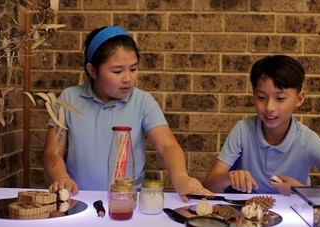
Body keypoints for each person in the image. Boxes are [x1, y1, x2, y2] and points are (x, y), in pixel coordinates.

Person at [43, 25, 213, 202]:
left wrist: (181, 177)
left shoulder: (142, 101)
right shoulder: (68, 98)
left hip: (127, 200)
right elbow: (52, 152)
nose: (128, 78)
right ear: (92, 70)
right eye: (117, 71)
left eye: (133, 69)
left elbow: (167, 145)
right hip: (78, 198)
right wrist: (61, 177)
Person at [202, 55, 320, 195]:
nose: (269, 107)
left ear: (299, 99)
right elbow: (208, 185)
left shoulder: (306, 140)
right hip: (247, 219)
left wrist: (302, 191)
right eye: (261, 97)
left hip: (293, 220)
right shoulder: (243, 130)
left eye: (280, 98)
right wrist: (229, 177)